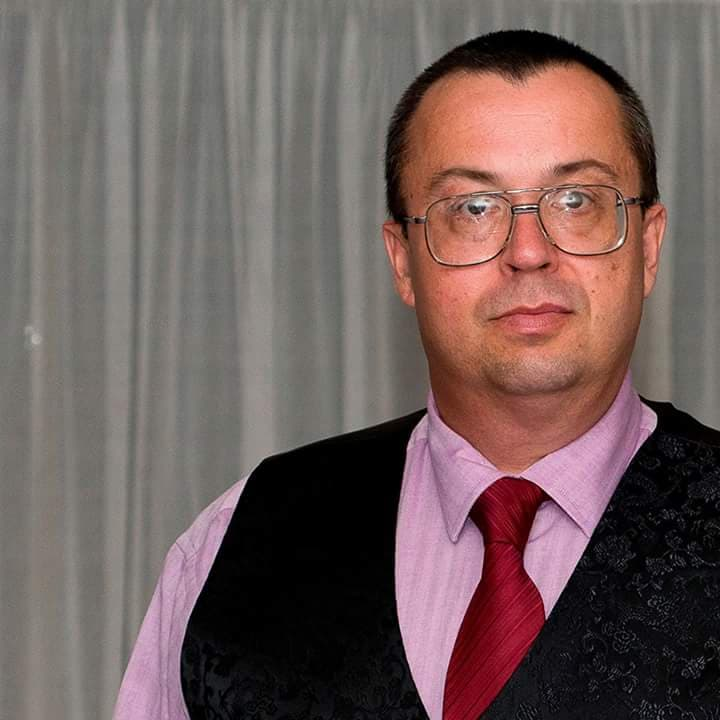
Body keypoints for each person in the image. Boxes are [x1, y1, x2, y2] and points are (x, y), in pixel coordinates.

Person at [114, 29, 720, 720]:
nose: (528, 251)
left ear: (648, 245)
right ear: (403, 260)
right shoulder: (235, 547)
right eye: (473, 208)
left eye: (577, 201)